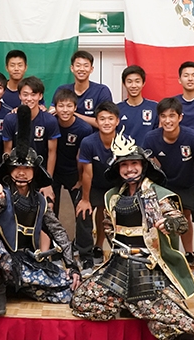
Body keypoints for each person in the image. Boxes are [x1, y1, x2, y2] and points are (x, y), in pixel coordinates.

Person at [71, 132, 194, 340]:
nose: (129, 169)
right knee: (81, 301)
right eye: (124, 165)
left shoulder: (158, 194)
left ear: (144, 166)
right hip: (118, 266)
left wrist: (170, 223)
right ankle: (130, 303)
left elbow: (180, 222)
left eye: (134, 163)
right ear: (118, 169)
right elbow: (109, 228)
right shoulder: (113, 197)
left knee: (175, 321)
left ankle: (136, 304)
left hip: (148, 266)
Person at [0, 105, 80, 316]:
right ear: (9, 171)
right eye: (16, 169)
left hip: (26, 263)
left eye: (27, 169)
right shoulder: (0, 192)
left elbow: (59, 233)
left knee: (67, 290)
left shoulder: (40, 201)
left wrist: (72, 266)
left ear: (34, 173)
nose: (21, 173)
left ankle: (17, 288)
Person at [143, 98, 194, 272]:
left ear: (180, 117)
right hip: (166, 188)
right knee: (175, 220)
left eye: (172, 116)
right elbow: (147, 166)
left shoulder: (193, 137)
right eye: (163, 116)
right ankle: (185, 256)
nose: (168, 120)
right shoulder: (151, 138)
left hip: (191, 187)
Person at [51, 88, 94, 272]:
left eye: (69, 106)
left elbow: (82, 158)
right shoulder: (49, 123)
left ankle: (86, 257)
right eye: (61, 105)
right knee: (48, 212)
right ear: (55, 107)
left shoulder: (84, 129)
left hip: (74, 174)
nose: (65, 110)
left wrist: (79, 179)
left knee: (83, 211)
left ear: (75, 108)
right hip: (52, 174)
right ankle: (51, 253)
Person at [75, 101, 120, 266]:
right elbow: (87, 173)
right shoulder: (88, 142)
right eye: (102, 119)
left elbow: (128, 172)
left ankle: (105, 250)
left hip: (116, 187)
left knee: (114, 216)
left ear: (117, 121)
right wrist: (85, 199)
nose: (106, 122)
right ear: (97, 121)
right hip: (93, 185)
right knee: (83, 211)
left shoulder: (125, 141)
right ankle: (85, 256)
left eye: (110, 118)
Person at [2, 76, 60, 178]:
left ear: (40, 96)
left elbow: (52, 152)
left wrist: (48, 180)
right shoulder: (10, 119)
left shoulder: (50, 121)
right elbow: (7, 151)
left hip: (41, 171)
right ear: (19, 96)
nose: (29, 99)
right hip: (17, 172)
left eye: (33, 95)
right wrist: (11, 176)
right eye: (25, 94)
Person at [51, 50, 113, 129]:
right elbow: (52, 113)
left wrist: (73, 114)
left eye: (86, 66)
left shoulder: (102, 91)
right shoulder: (62, 89)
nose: (82, 69)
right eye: (78, 65)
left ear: (91, 69)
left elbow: (105, 124)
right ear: (72, 68)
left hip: (93, 139)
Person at [117, 65, 158, 147]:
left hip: (147, 156)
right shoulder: (117, 109)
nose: (133, 85)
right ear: (124, 84)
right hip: (124, 156)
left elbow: (159, 135)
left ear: (143, 83)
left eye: (137, 81)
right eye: (129, 81)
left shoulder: (155, 107)